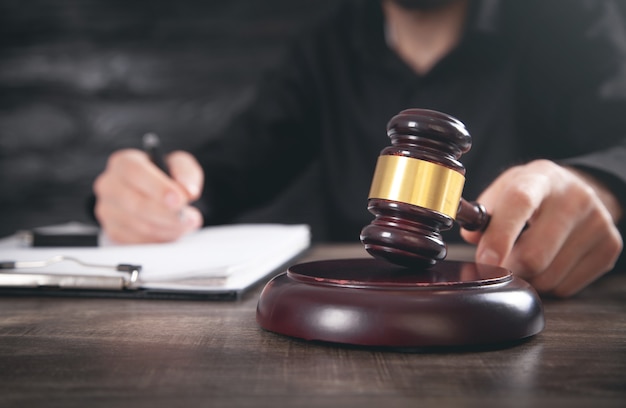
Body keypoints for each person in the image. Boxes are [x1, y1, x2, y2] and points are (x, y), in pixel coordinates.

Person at [92, 0, 626, 297]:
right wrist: (158, 192)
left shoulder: (569, 22)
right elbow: (234, 166)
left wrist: (599, 183)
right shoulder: (325, 49)